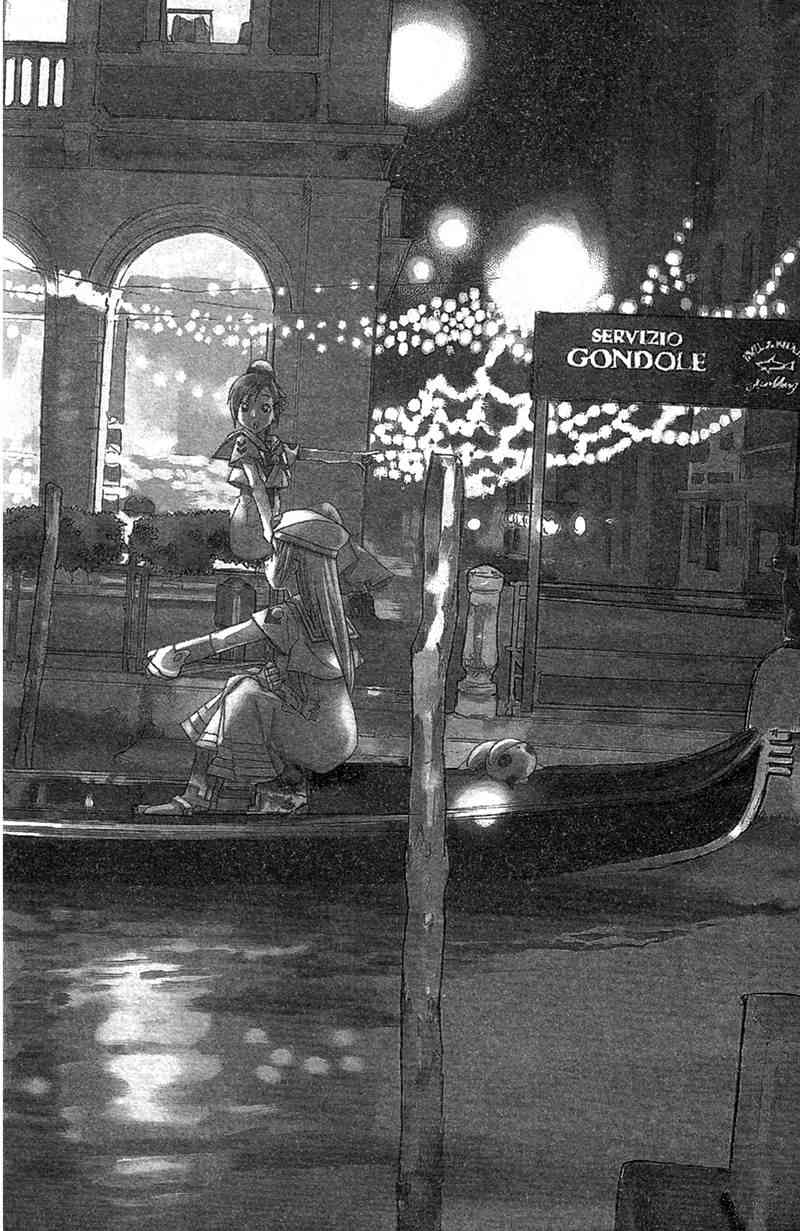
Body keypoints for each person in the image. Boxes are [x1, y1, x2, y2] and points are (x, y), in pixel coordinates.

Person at [139, 509, 360, 815]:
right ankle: (214, 796)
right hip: (328, 733)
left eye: (273, 554)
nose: (267, 562)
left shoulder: (288, 615)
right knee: (242, 686)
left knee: (245, 694)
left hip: (321, 737)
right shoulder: (330, 618)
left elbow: (222, 641)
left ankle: (234, 796)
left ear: (294, 562)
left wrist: (175, 653)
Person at [212, 359, 299, 561]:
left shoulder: (273, 445)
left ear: (274, 411)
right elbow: (257, 486)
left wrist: (355, 459)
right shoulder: (244, 442)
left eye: (264, 408)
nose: (254, 416)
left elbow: (306, 455)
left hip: (271, 520)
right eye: (245, 407)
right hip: (250, 526)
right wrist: (268, 529)